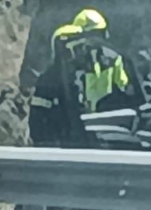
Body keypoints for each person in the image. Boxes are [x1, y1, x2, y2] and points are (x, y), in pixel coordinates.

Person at [28, 8, 141, 148]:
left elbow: (128, 95)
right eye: (85, 38)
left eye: (96, 36)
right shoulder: (56, 75)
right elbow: (40, 118)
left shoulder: (114, 61)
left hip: (107, 139)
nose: (91, 42)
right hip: (70, 143)